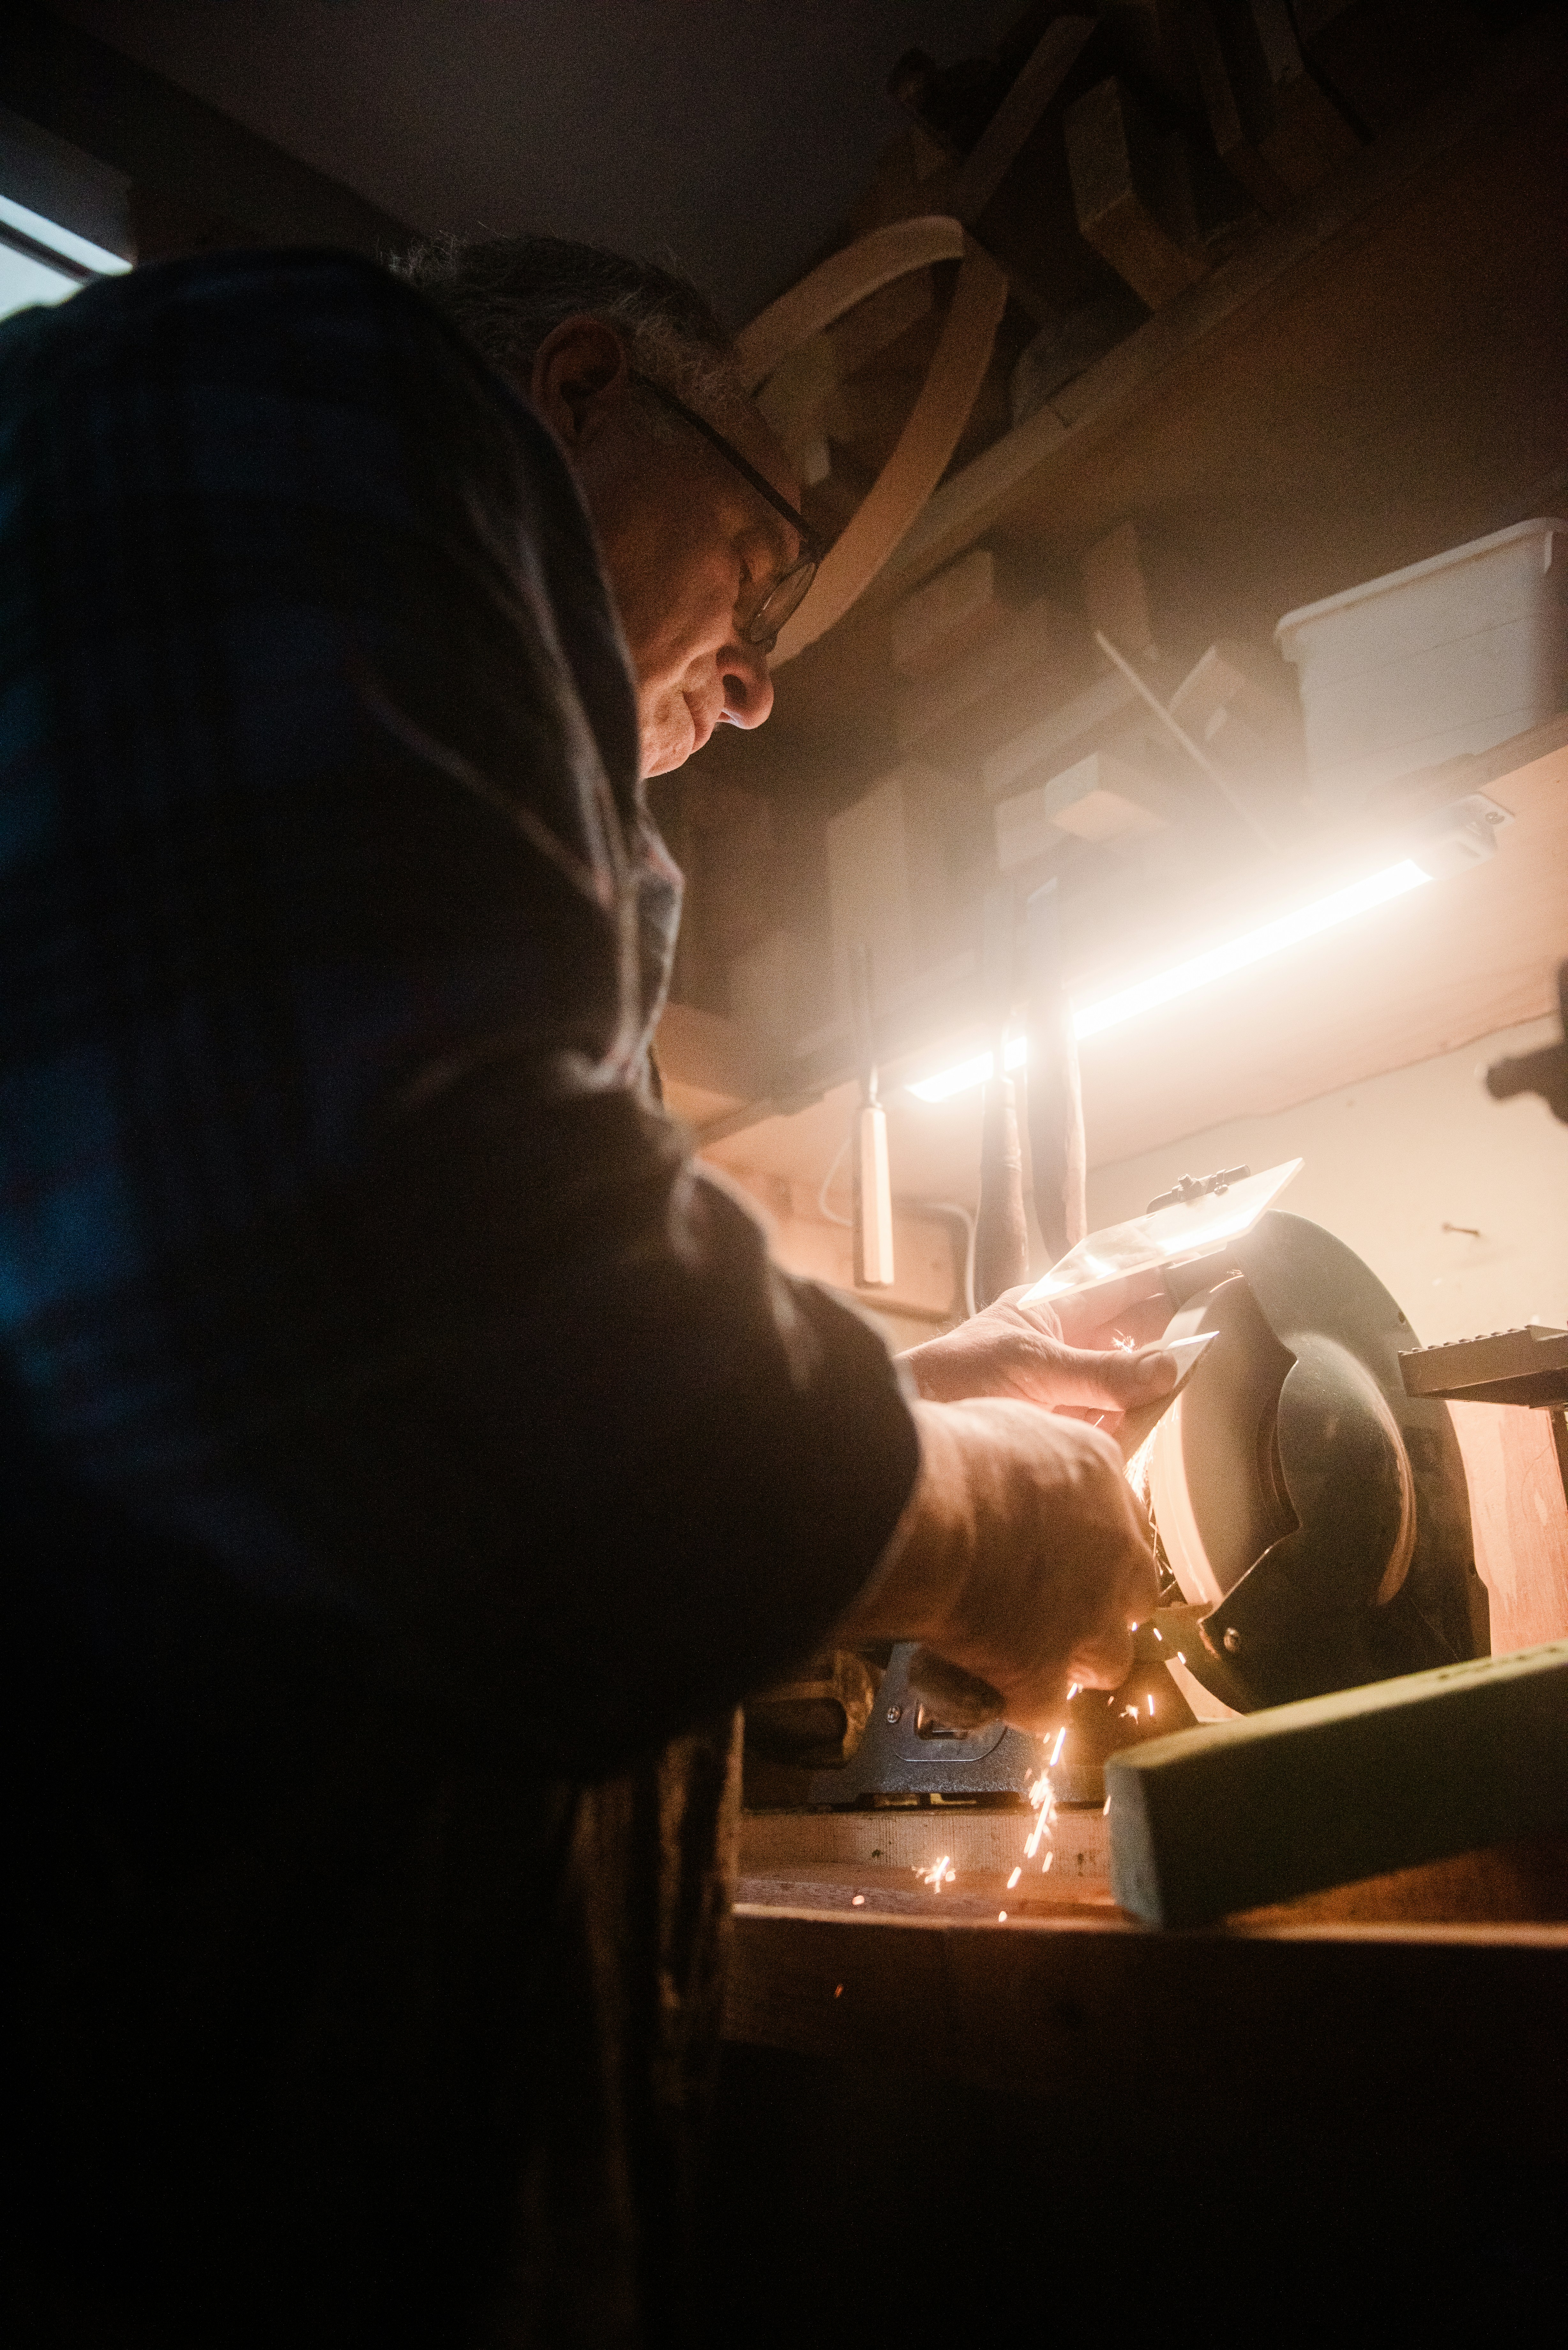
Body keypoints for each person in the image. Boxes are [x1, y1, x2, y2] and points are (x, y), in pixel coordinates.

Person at [0, 234, 1170, 2346]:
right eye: (766, 551)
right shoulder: (304, 373)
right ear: (573, 388)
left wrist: (906, 1411)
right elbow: (476, 1365)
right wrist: (991, 1519)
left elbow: (453, 1309)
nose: (766, 677)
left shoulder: (346, 774)